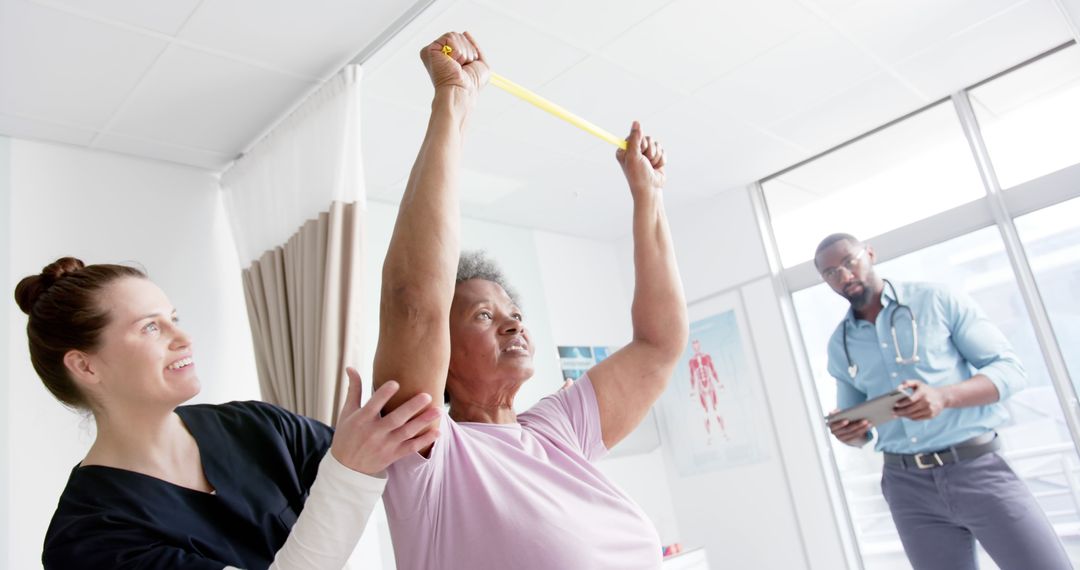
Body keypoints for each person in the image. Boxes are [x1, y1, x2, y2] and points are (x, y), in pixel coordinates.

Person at [372, 32, 688, 569]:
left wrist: (648, 199)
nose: (513, 325)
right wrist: (454, 102)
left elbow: (659, 345)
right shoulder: (429, 456)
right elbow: (413, 302)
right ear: (442, 354)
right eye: (483, 315)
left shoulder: (557, 429)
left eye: (514, 314)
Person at [15, 257, 440, 569]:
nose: (182, 337)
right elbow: (352, 471)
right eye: (150, 327)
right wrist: (348, 470)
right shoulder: (89, 538)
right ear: (86, 366)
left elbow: (410, 471)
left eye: (174, 318)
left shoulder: (261, 427)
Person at [817, 233, 1070, 570]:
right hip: (906, 487)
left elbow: (1010, 369)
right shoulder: (841, 344)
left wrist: (943, 397)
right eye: (831, 272)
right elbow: (860, 429)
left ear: (870, 253)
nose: (844, 276)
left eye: (849, 262)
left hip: (976, 469)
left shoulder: (936, 300)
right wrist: (850, 432)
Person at [688, 339, 727, 442]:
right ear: (693, 347)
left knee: (717, 409)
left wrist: (719, 383)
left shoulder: (707, 357)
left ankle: (724, 433)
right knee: (705, 413)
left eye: (697, 345)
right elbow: (692, 376)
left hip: (710, 386)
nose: (696, 348)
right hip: (701, 388)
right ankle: (709, 436)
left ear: (699, 345)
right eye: (694, 346)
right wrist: (692, 391)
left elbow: (713, 370)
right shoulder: (692, 361)